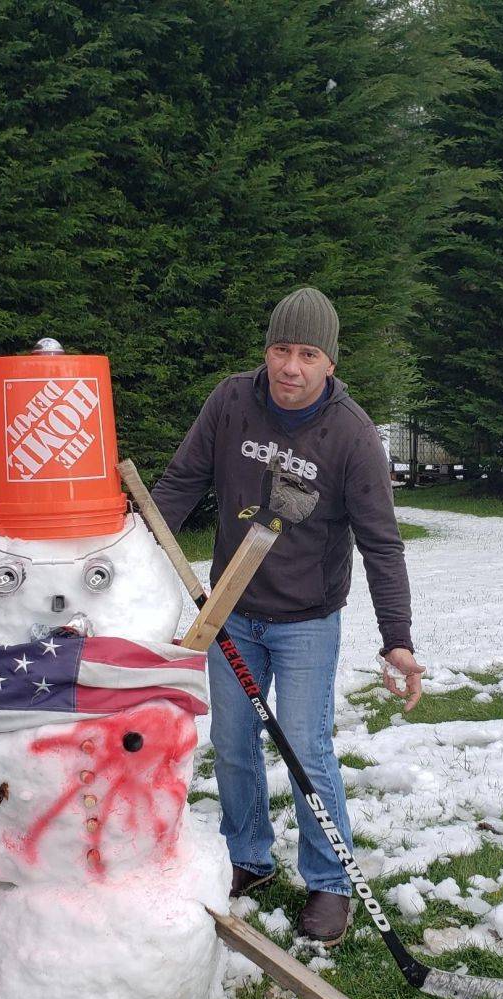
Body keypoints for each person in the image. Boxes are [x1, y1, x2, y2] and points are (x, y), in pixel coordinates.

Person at [153, 286, 424, 944]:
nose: (291, 367)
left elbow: (381, 542)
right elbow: (183, 480)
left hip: (306, 618)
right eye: (281, 349)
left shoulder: (352, 434)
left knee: (307, 749)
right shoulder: (231, 401)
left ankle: (329, 882)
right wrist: (131, 553)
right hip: (230, 612)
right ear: (266, 351)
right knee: (234, 745)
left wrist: (398, 639)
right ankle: (248, 856)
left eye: (307, 354)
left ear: (330, 362)